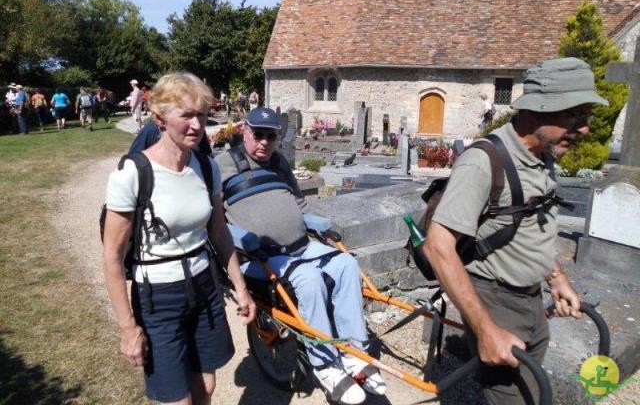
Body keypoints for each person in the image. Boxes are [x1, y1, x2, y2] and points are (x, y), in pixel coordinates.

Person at [422, 57, 606, 404]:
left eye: (586, 117)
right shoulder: (483, 161)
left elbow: (533, 225)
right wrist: (486, 330)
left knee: (531, 392)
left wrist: (556, 279)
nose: (584, 129)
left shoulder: (543, 157)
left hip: (531, 299)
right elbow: (438, 247)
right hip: (495, 301)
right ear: (536, 112)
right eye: (574, 116)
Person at [215, 107, 386, 405]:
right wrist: (238, 239)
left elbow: (298, 204)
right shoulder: (223, 164)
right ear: (245, 132)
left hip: (301, 246)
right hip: (259, 256)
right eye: (258, 134)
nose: (264, 142)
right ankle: (325, 366)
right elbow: (214, 218)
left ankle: (354, 353)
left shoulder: (279, 163)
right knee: (308, 279)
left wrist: (319, 225)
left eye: (271, 136)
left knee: (346, 263)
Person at [103, 72, 255, 404]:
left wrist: (241, 289)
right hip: (157, 297)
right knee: (177, 398)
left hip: (204, 287)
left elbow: (218, 232)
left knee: (207, 386)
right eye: (185, 115)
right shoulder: (132, 174)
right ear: (158, 118)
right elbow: (112, 256)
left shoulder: (205, 167)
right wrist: (128, 328)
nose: (197, 125)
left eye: (201, 114)